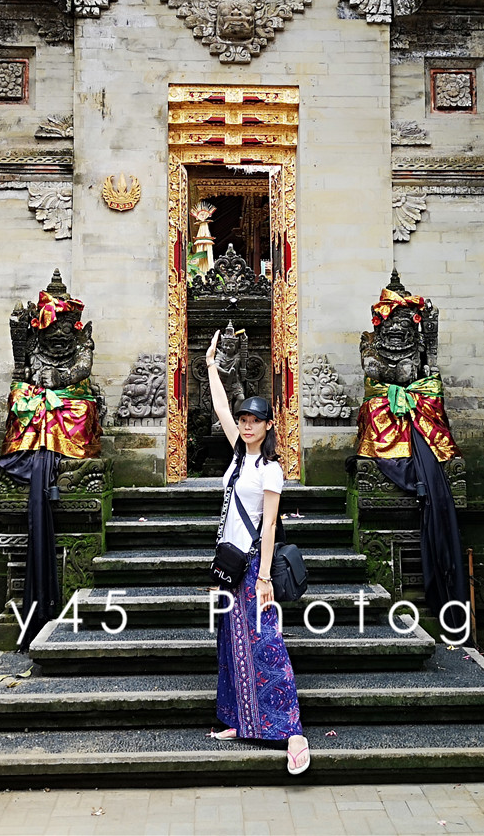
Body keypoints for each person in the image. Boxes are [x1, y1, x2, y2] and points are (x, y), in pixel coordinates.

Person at [204, 328, 310, 775]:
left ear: (268, 426)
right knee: (230, 642)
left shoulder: (270, 469)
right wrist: (210, 365)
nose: (246, 425)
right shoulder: (237, 456)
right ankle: (237, 720)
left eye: (254, 420)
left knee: (266, 643)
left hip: (253, 567)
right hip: (229, 565)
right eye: (244, 419)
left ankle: (293, 732)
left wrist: (265, 577)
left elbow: (269, 525)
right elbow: (221, 407)